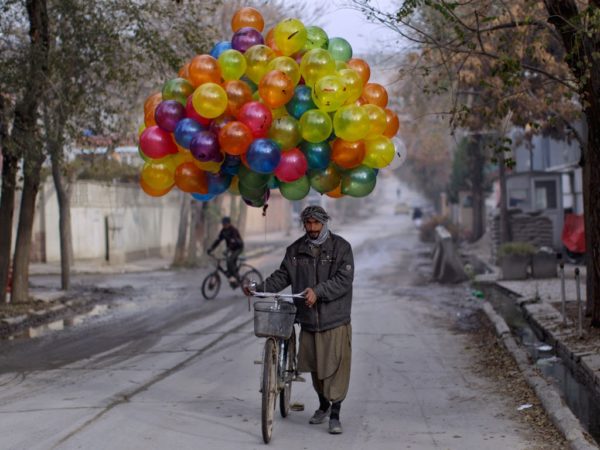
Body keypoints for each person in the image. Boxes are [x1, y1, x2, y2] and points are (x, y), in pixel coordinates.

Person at [244, 205, 354, 435]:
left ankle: (335, 413)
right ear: (304, 224)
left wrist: (318, 291)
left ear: (325, 223)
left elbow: (343, 280)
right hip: (308, 320)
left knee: (334, 368)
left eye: (316, 223)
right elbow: (282, 276)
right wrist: (259, 289)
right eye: (308, 223)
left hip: (335, 319)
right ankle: (323, 405)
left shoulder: (341, 248)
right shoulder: (295, 251)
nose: (312, 228)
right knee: (315, 368)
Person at [207, 217, 244, 285]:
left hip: (238, 248)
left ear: (229, 224)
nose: (224, 225)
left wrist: (228, 249)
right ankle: (232, 278)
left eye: (225, 224)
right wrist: (211, 248)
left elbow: (234, 242)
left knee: (230, 261)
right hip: (230, 249)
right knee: (228, 262)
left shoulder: (233, 230)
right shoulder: (223, 231)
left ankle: (236, 277)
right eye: (223, 224)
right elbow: (218, 241)